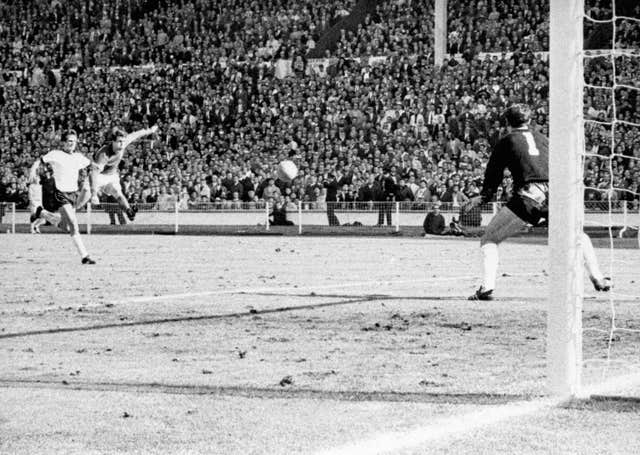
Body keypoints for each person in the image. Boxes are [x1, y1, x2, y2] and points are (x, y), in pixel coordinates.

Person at [463, 104, 611, 300]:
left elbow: (494, 173)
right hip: (558, 192)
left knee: (489, 239)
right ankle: (598, 278)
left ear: (507, 123)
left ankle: (487, 287)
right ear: (530, 121)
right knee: (575, 234)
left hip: (530, 195)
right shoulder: (543, 139)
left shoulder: (506, 141)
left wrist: (484, 197)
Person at [28, 130, 95, 264]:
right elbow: (38, 161)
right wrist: (32, 171)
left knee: (67, 227)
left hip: (74, 194)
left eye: (74, 141)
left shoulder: (78, 157)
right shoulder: (56, 154)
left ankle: (42, 214)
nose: (72, 144)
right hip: (60, 194)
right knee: (73, 222)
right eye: (70, 141)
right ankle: (85, 256)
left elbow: (92, 166)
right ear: (64, 142)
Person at [86, 125, 159, 221]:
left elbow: (137, 134)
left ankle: (129, 211)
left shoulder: (123, 142)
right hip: (100, 176)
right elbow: (94, 174)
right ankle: (69, 213)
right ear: (113, 141)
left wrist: (150, 130)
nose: (122, 144)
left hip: (112, 175)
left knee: (118, 194)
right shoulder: (103, 154)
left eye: (123, 142)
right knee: (85, 193)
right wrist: (94, 193)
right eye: (119, 141)